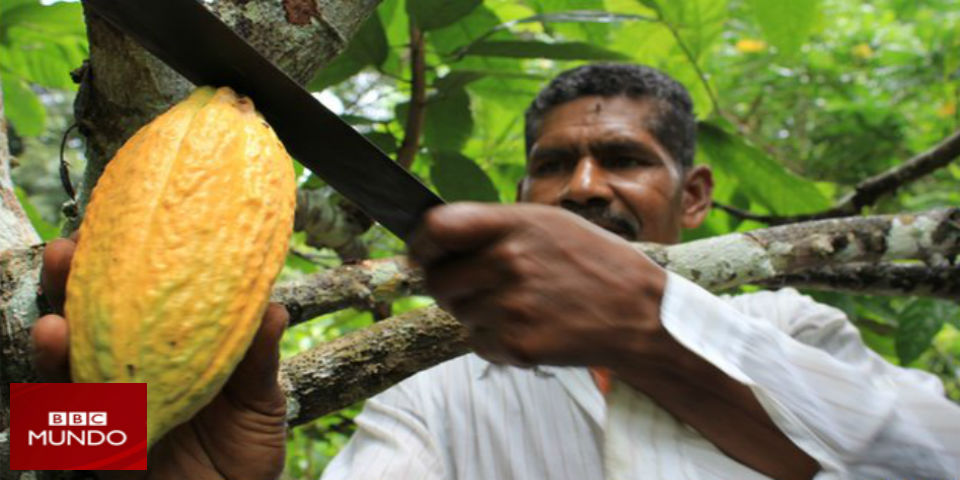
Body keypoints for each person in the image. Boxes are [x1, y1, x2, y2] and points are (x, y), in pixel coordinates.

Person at [34, 63, 960, 480]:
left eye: (623, 159)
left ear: (695, 196)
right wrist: (82, 443)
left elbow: (932, 457)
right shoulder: (439, 390)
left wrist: (654, 338)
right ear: (521, 194)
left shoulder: (796, 328)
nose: (583, 187)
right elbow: (57, 439)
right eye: (553, 165)